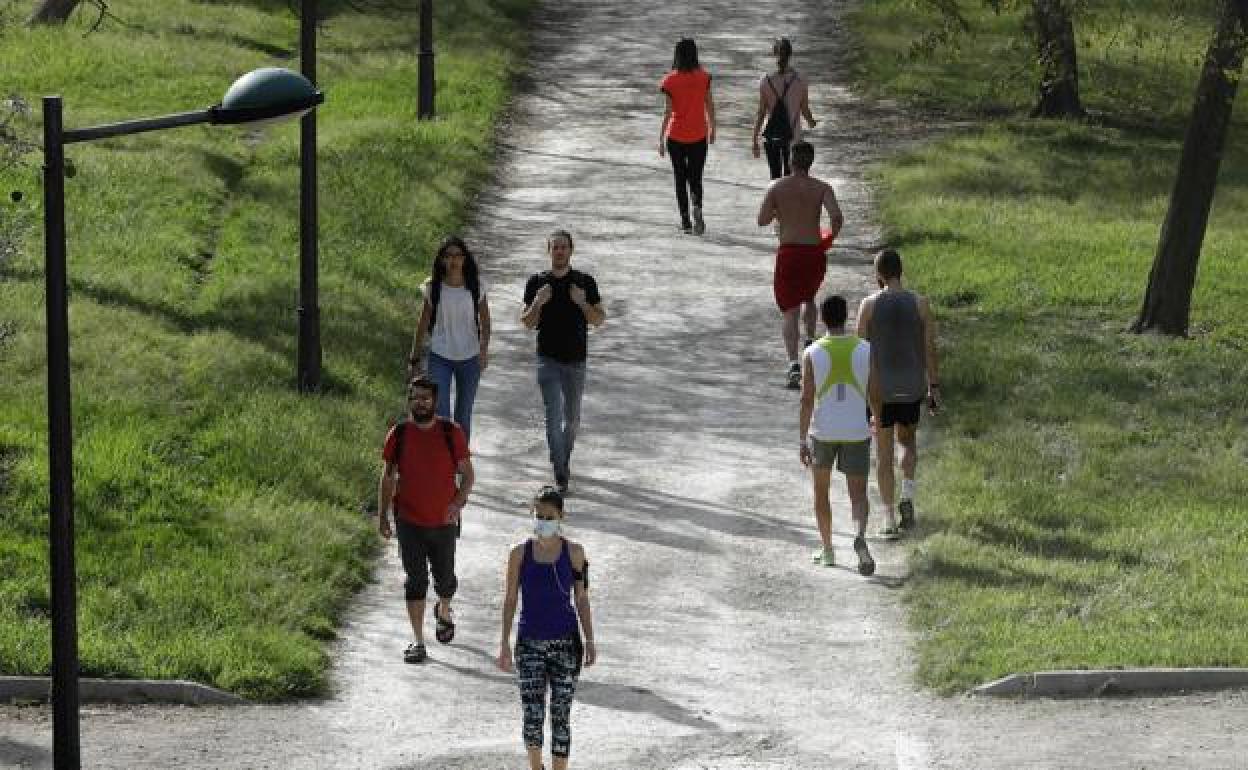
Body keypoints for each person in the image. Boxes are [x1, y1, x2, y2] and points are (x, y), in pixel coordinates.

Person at [498, 485, 597, 770]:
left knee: (560, 714)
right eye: (537, 515)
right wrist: (504, 642)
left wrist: (590, 640)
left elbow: (581, 598)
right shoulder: (519, 553)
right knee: (532, 713)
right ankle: (535, 766)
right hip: (529, 642)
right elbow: (510, 598)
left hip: (566, 644)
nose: (542, 521)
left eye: (548, 516)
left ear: (561, 516)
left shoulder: (575, 553)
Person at [377, 374, 475, 664]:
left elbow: (468, 475)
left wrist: (457, 503)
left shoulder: (450, 432)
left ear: (436, 402)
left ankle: (443, 610)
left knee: (445, 580)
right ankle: (418, 641)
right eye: (415, 397)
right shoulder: (399, 434)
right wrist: (382, 515)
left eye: (425, 398)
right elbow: (388, 477)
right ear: (409, 401)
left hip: (443, 521)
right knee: (415, 580)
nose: (420, 403)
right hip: (409, 520)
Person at [855, 249, 941, 537]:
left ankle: (889, 519)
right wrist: (934, 386)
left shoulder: (868, 306)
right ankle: (907, 494)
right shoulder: (920, 304)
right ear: (901, 271)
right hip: (912, 385)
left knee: (883, 451)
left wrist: (859, 394)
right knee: (908, 442)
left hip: (880, 390)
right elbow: (930, 348)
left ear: (878, 274)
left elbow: (860, 352)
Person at [521, 230, 606, 495]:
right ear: (548, 251)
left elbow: (599, 320)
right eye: (555, 247)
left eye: (563, 247)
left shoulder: (584, 282)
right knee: (552, 416)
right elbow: (526, 322)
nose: (559, 251)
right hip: (547, 360)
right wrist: (537, 303)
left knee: (572, 419)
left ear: (571, 250)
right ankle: (560, 471)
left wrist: (582, 303)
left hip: (576, 361)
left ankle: (563, 458)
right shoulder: (537, 282)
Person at [756, 140, 844, 389]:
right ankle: (810, 340)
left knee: (790, 310)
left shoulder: (777, 187)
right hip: (814, 252)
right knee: (810, 298)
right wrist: (830, 237)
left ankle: (794, 363)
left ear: (790, 161)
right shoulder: (822, 188)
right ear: (811, 162)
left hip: (789, 252)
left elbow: (761, 220)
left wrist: (778, 212)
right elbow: (836, 216)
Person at [799, 295, 875, 575]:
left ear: (822, 318)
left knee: (821, 491)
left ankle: (828, 549)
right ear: (847, 317)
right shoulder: (866, 349)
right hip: (857, 430)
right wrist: (875, 418)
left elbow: (806, 399)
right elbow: (875, 391)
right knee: (858, 495)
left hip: (824, 431)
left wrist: (801, 439)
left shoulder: (813, 352)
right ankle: (860, 537)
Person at [407, 235, 492, 442]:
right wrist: (414, 359)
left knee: (463, 416)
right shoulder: (433, 287)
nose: (453, 260)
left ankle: (460, 465)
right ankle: (445, 468)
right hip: (440, 356)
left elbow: (486, 321)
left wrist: (483, 351)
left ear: (465, 258)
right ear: (442, 259)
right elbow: (422, 324)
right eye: (448, 256)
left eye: (458, 255)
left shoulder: (475, 286)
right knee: (441, 415)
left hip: (470, 358)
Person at [658, 37, 717, 234]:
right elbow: (709, 104)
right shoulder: (704, 77)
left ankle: (685, 221)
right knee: (696, 177)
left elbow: (667, 111)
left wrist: (660, 137)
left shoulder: (669, 80)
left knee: (679, 178)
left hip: (675, 136)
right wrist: (713, 127)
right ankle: (697, 205)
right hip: (698, 135)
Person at [751, 37, 817, 180]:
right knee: (791, 178)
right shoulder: (801, 80)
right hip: (793, 136)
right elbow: (804, 109)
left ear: (774, 54)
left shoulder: (765, 81)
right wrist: (812, 121)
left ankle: (774, 201)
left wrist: (754, 138)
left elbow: (761, 113)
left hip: (772, 134)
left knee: (774, 177)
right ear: (790, 54)